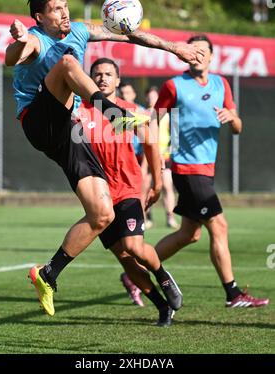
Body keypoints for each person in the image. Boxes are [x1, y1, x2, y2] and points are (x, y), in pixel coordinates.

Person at [5, 0, 204, 316]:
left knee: (102, 213)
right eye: (56, 9)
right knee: (68, 64)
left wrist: (174, 48)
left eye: (65, 6)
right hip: (37, 121)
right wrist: (19, 40)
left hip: (68, 130)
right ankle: (113, 113)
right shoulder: (36, 38)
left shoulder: (81, 30)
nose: (65, 12)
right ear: (40, 17)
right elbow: (15, 57)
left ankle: (48, 274)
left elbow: (128, 35)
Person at [153, 34, 269, 308]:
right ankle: (233, 293)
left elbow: (238, 127)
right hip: (186, 167)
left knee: (189, 234)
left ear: (212, 56)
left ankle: (135, 268)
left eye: (203, 51)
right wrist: (157, 155)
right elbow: (154, 119)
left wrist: (233, 119)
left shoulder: (221, 84)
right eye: (192, 50)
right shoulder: (174, 86)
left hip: (207, 169)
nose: (197, 54)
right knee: (219, 225)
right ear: (184, 55)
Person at [78, 58, 183, 326]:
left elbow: (150, 142)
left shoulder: (126, 110)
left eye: (108, 74)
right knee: (125, 259)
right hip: (100, 196)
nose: (102, 78)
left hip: (128, 189)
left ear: (117, 79)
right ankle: (162, 307)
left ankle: (162, 275)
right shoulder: (82, 113)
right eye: (97, 74)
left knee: (132, 246)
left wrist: (157, 184)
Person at [143, 86, 179, 230]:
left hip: (164, 157)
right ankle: (145, 218)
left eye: (154, 96)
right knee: (145, 187)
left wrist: (167, 153)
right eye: (149, 97)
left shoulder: (169, 115)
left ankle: (170, 217)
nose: (152, 99)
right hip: (147, 157)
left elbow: (175, 139)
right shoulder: (143, 113)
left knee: (167, 186)